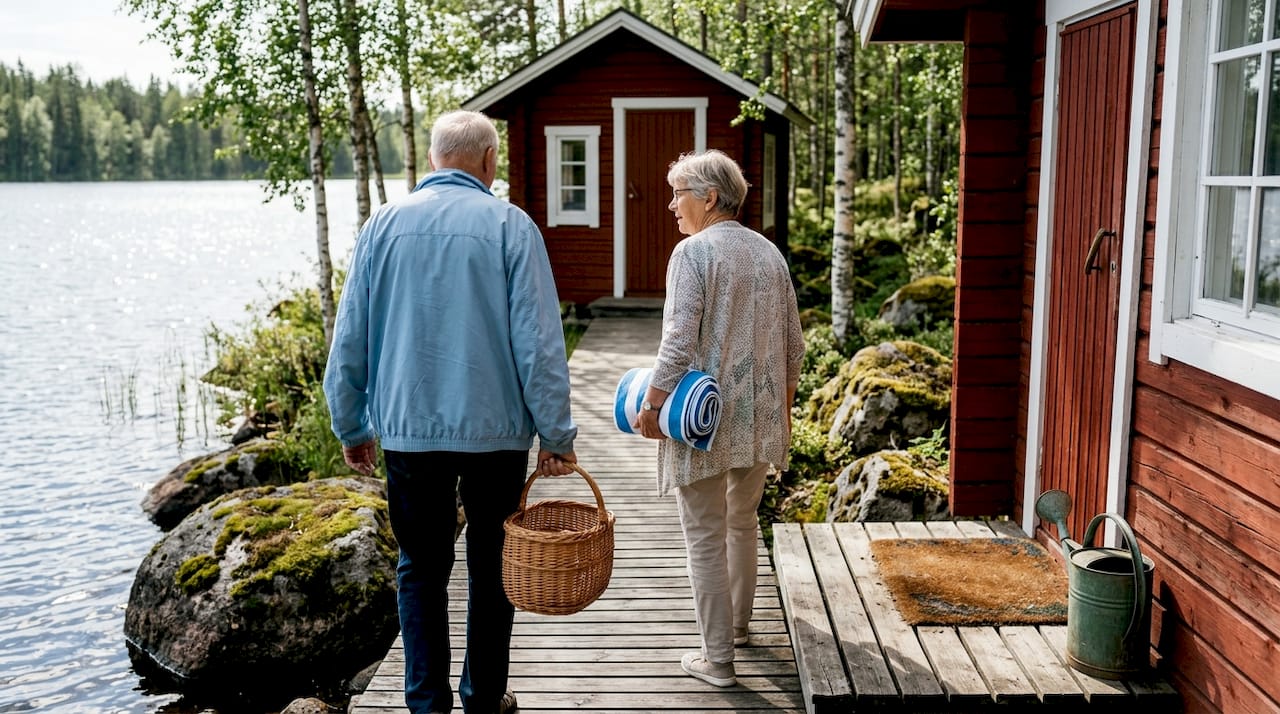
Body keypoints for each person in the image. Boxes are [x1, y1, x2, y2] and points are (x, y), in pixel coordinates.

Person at [323, 109, 578, 714]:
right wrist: (556, 433)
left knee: (420, 567)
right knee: (492, 565)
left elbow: (350, 334)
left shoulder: (382, 226)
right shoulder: (512, 226)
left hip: (409, 431)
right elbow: (539, 343)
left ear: (435, 158)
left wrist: (351, 425)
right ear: (489, 161)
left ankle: (426, 705)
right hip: (497, 434)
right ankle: (483, 699)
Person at [633, 149, 804, 688]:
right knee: (741, 522)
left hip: (702, 420)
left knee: (705, 534)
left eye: (678, 193)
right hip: (759, 417)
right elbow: (794, 349)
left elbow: (677, 342)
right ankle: (739, 629)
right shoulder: (769, 253)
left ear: (709, 198)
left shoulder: (693, 253)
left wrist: (652, 405)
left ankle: (718, 661)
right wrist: (784, 414)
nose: (671, 205)